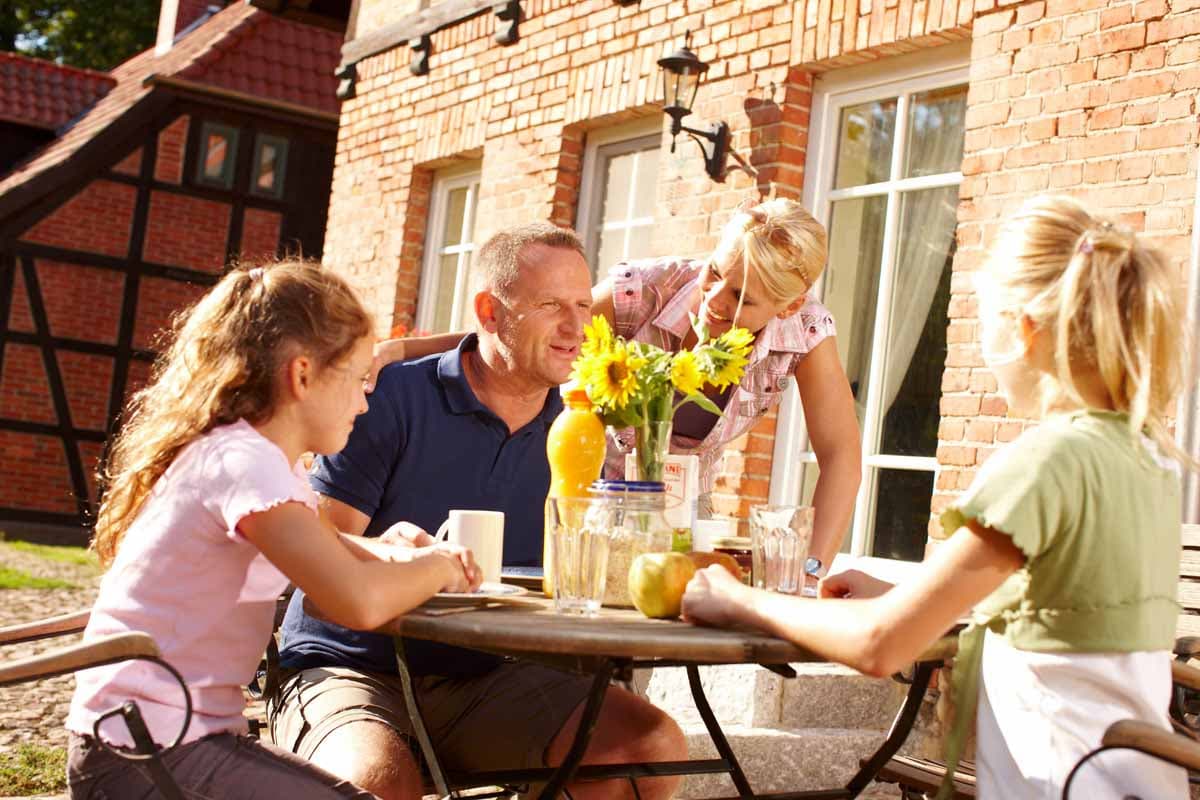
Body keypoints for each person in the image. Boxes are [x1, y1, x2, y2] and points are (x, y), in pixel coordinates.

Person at [680, 195, 1191, 799]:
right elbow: (1060, 618)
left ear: (1022, 330)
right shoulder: (1148, 458)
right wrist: (909, 596)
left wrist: (740, 600)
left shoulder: (1047, 463)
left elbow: (879, 645)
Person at [273, 223, 687, 800]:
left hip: (492, 677)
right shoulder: (390, 397)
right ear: (490, 311)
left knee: (647, 748)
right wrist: (397, 558)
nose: (577, 326)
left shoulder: (583, 428)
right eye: (550, 305)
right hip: (351, 666)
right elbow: (315, 563)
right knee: (376, 783)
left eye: (580, 303)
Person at [65, 260, 480, 800]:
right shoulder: (246, 463)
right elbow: (357, 603)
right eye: (357, 379)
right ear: (303, 375)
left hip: (168, 739)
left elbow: (323, 546)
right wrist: (439, 566)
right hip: (146, 752)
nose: (364, 401)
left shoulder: (260, 461)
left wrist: (388, 549)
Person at [378, 198, 861, 582]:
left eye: (742, 297)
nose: (713, 299)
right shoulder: (648, 290)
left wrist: (812, 570)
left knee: (644, 656)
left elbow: (841, 453)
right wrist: (401, 351)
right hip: (594, 495)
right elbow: (517, 332)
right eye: (715, 272)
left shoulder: (805, 330)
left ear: (789, 304)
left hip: (682, 510)